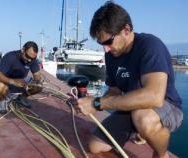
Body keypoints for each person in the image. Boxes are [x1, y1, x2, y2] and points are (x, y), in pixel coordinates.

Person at [77, 2, 183, 158]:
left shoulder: (150, 45)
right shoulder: (111, 55)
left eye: (108, 42)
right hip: (133, 108)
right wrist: (93, 102)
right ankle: (140, 131)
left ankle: (161, 154)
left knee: (143, 118)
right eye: (101, 44)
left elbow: (155, 97)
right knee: (95, 145)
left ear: (126, 30)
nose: (105, 49)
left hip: (167, 106)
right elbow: (114, 91)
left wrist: (98, 104)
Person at [0, 41, 42, 114]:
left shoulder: (32, 59)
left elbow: (37, 76)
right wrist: (13, 81)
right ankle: (2, 101)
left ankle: (21, 98)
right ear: (23, 50)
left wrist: (36, 82)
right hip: (5, 81)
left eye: (32, 58)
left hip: (21, 82)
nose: (29, 60)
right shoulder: (10, 57)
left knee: (39, 86)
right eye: (27, 57)